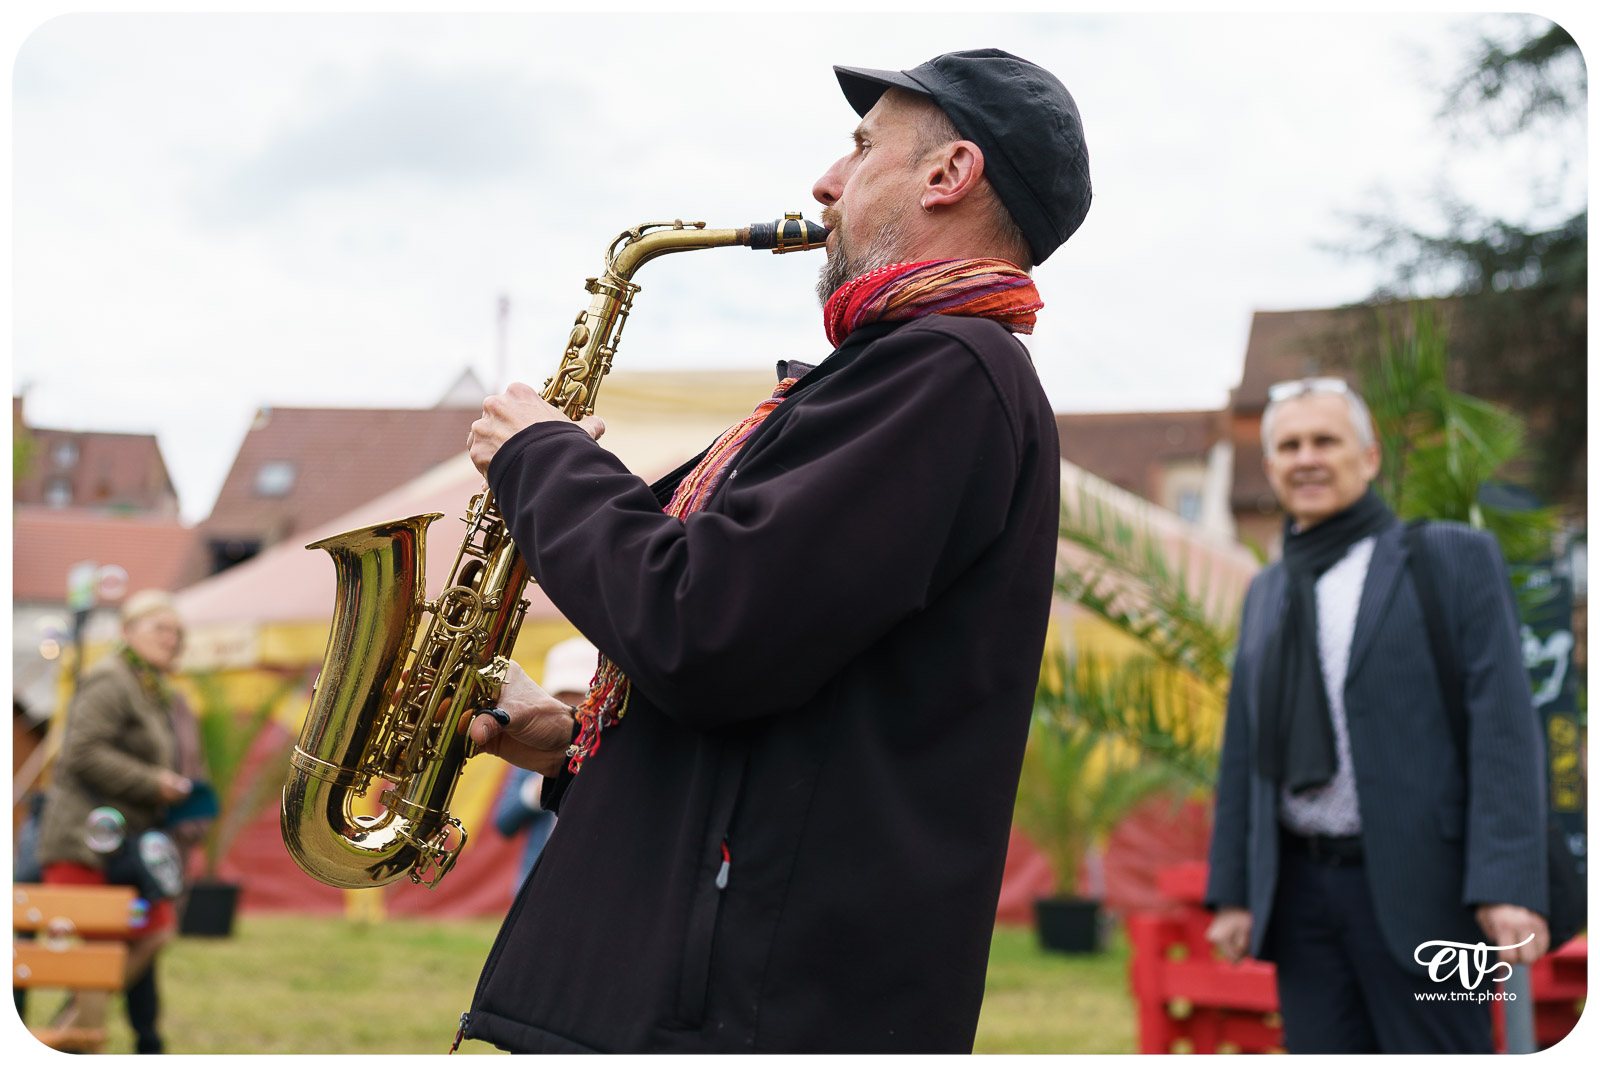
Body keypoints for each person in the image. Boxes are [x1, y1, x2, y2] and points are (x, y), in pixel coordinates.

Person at [455, 48, 1089, 1053]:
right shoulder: (908, 374)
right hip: (717, 990)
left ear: (947, 175)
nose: (824, 183)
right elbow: (793, 695)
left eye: (859, 148)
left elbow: (701, 627)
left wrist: (540, 458)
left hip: (741, 1006)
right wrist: (575, 739)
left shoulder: (944, 370)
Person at [1204, 378, 1549, 1053]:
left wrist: (1505, 881)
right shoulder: (1266, 589)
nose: (1307, 457)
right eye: (1290, 445)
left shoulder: (1451, 557)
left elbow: (1503, 723)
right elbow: (1243, 746)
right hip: (1301, 894)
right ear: (1270, 467)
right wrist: (1235, 890)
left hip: (1432, 890)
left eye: (1325, 440)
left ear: (1369, 456)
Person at [33, 590, 208, 1054]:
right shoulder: (111, 680)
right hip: (81, 840)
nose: (173, 639)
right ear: (127, 632)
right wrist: (154, 782)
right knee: (97, 958)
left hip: (124, 843)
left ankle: (64, 1039)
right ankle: (72, 1041)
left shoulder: (149, 687)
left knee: (155, 932)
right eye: (161, 628)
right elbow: (81, 754)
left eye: (178, 632)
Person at [490, 638, 595, 893]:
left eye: (580, 696)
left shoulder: (612, 756)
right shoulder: (535, 752)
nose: (572, 706)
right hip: (536, 887)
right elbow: (503, 822)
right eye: (562, 697)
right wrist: (532, 793)